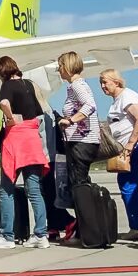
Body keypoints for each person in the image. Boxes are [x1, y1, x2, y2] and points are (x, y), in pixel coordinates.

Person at [0, 56, 49, 248]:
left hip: (16, 139)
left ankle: (7, 236)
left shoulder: (7, 85)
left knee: (7, 189)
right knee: (34, 190)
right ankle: (41, 234)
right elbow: (39, 111)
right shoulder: (28, 85)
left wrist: (10, 118)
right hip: (32, 139)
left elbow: (4, 103)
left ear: (2, 72)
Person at [99, 68, 138, 242]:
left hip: (136, 146)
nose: (102, 86)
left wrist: (130, 144)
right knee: (131, 184)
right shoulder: (117, 100)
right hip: (129, 147)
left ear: (116, 82)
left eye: (105, 82)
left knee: (129, 184)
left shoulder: (126, 96)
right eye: (101, 83)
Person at [55, 51, 101, 211]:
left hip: (82, 142)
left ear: (67, 66)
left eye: (60, 66)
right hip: (84, 141)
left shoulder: (77, 85)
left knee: (79, 185)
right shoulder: (77, 85)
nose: (58, 70)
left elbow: (90, 105)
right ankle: (86, 220)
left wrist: (70, 120)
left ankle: (86, 221)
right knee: (80, 183)